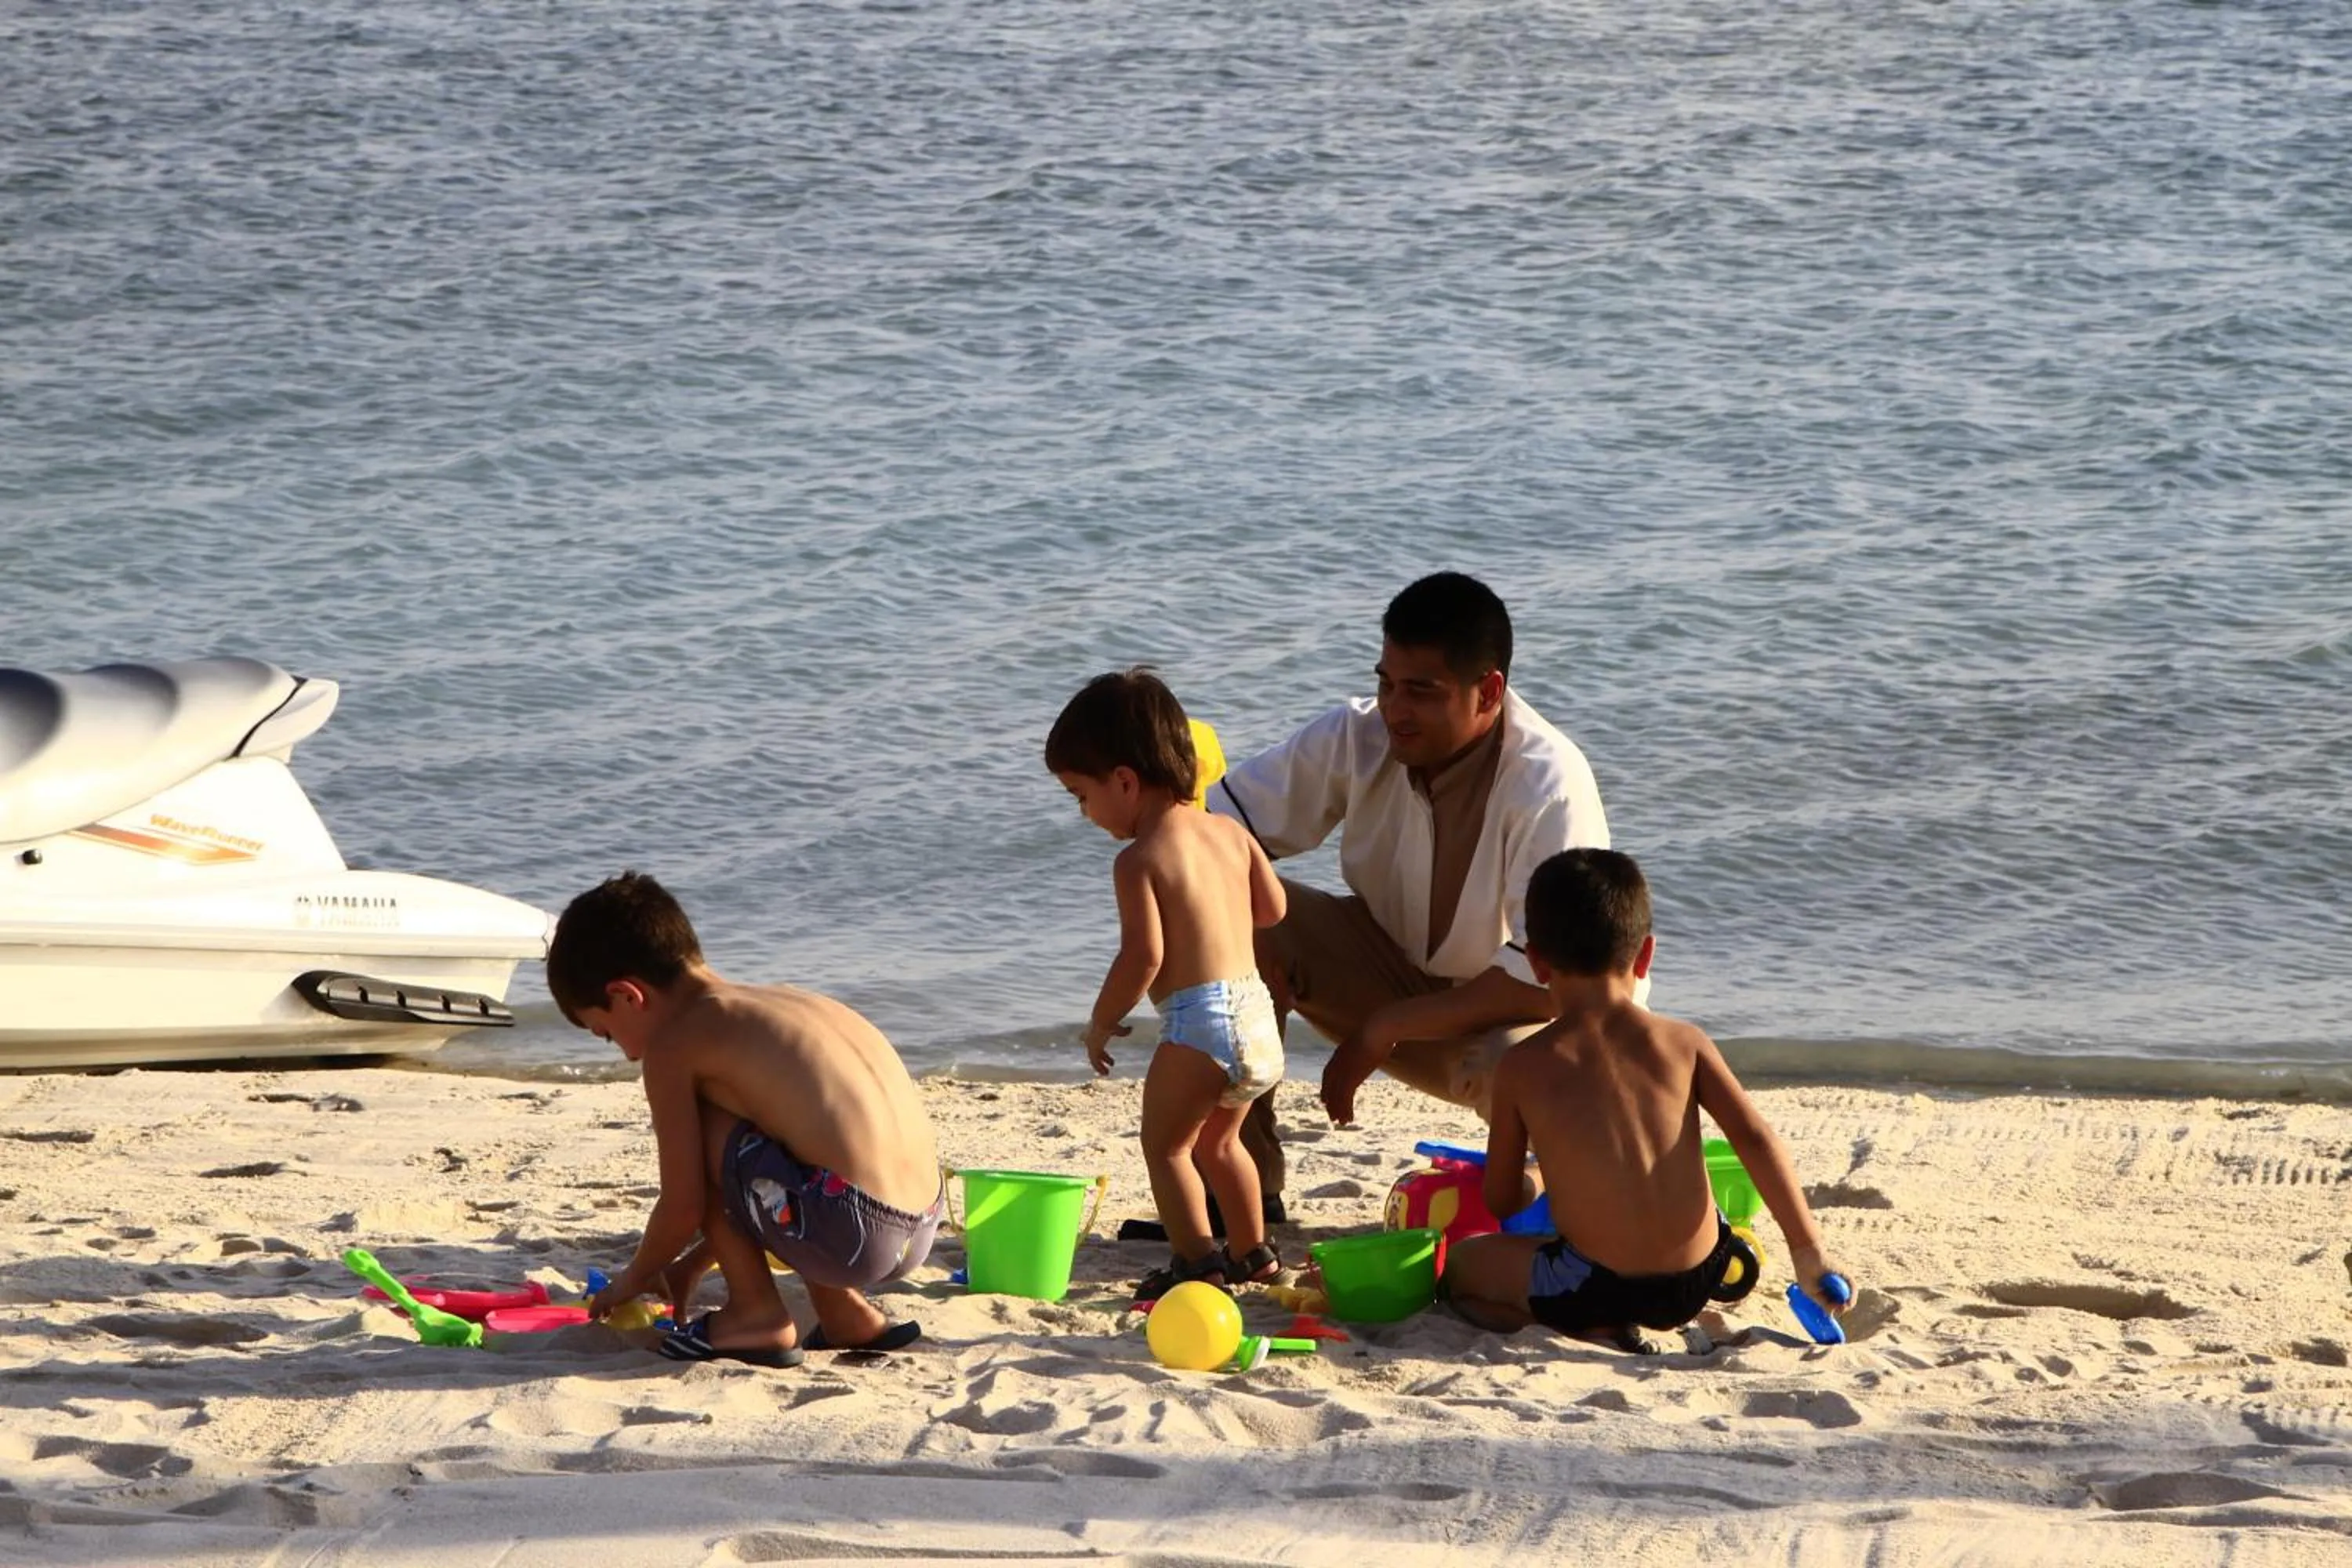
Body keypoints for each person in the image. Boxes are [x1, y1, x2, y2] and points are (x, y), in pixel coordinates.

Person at [1206, 571, 1614, 1197]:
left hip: (1515, 1021)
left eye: (1422, 692)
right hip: (1388, 974)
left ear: (1489, 691)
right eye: (1387, 684)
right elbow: (1206, 836)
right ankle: (1241, 1194)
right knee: (1215, 915)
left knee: (1527, 1065)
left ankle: (1553, 1196)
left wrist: (1386, 1025)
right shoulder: (1357, 733)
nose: (1396, 710)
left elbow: (1556, 981)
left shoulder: (1548, 783)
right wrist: (1246, 947)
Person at [1442, 848, 1849, 1353]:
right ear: (1646, 955)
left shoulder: (1522, 1066)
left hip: (1597, 1288)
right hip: (1701, 1273)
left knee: (1461, 1269)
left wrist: (1538, 1177)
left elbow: (1502, 1202)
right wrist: (1809, 1253)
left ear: (1537, 964)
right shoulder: (1686, 1042)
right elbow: (1754, 1138)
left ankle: (1594, 1330)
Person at [547, 871, 944, 1367]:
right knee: (781, 1135)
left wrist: (635, 1277)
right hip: (919, 1226)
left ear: (629, 995)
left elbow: (683, 1205)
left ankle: (756, 1314)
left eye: (607, 1033)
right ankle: (845, 1313)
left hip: (853, 1234)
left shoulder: (677, 1044)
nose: (626, 1054)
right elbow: (789, 1167)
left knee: (708, 1123)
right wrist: (692, 1265)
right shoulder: (786, 1002)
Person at [1047, 669, 1290, 1299]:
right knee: (1222, 1143)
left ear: (1125, 781)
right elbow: (1275, 910)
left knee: (1167, 1148)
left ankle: (1196, 1262)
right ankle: (1254, 1252)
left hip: (1201, 1022)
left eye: (1081, 795)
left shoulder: (1138, 859)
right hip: (1257, 1017)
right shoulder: (1232, 834)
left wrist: (1102, 1020)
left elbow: (1143, 955)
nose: (1086, 813)